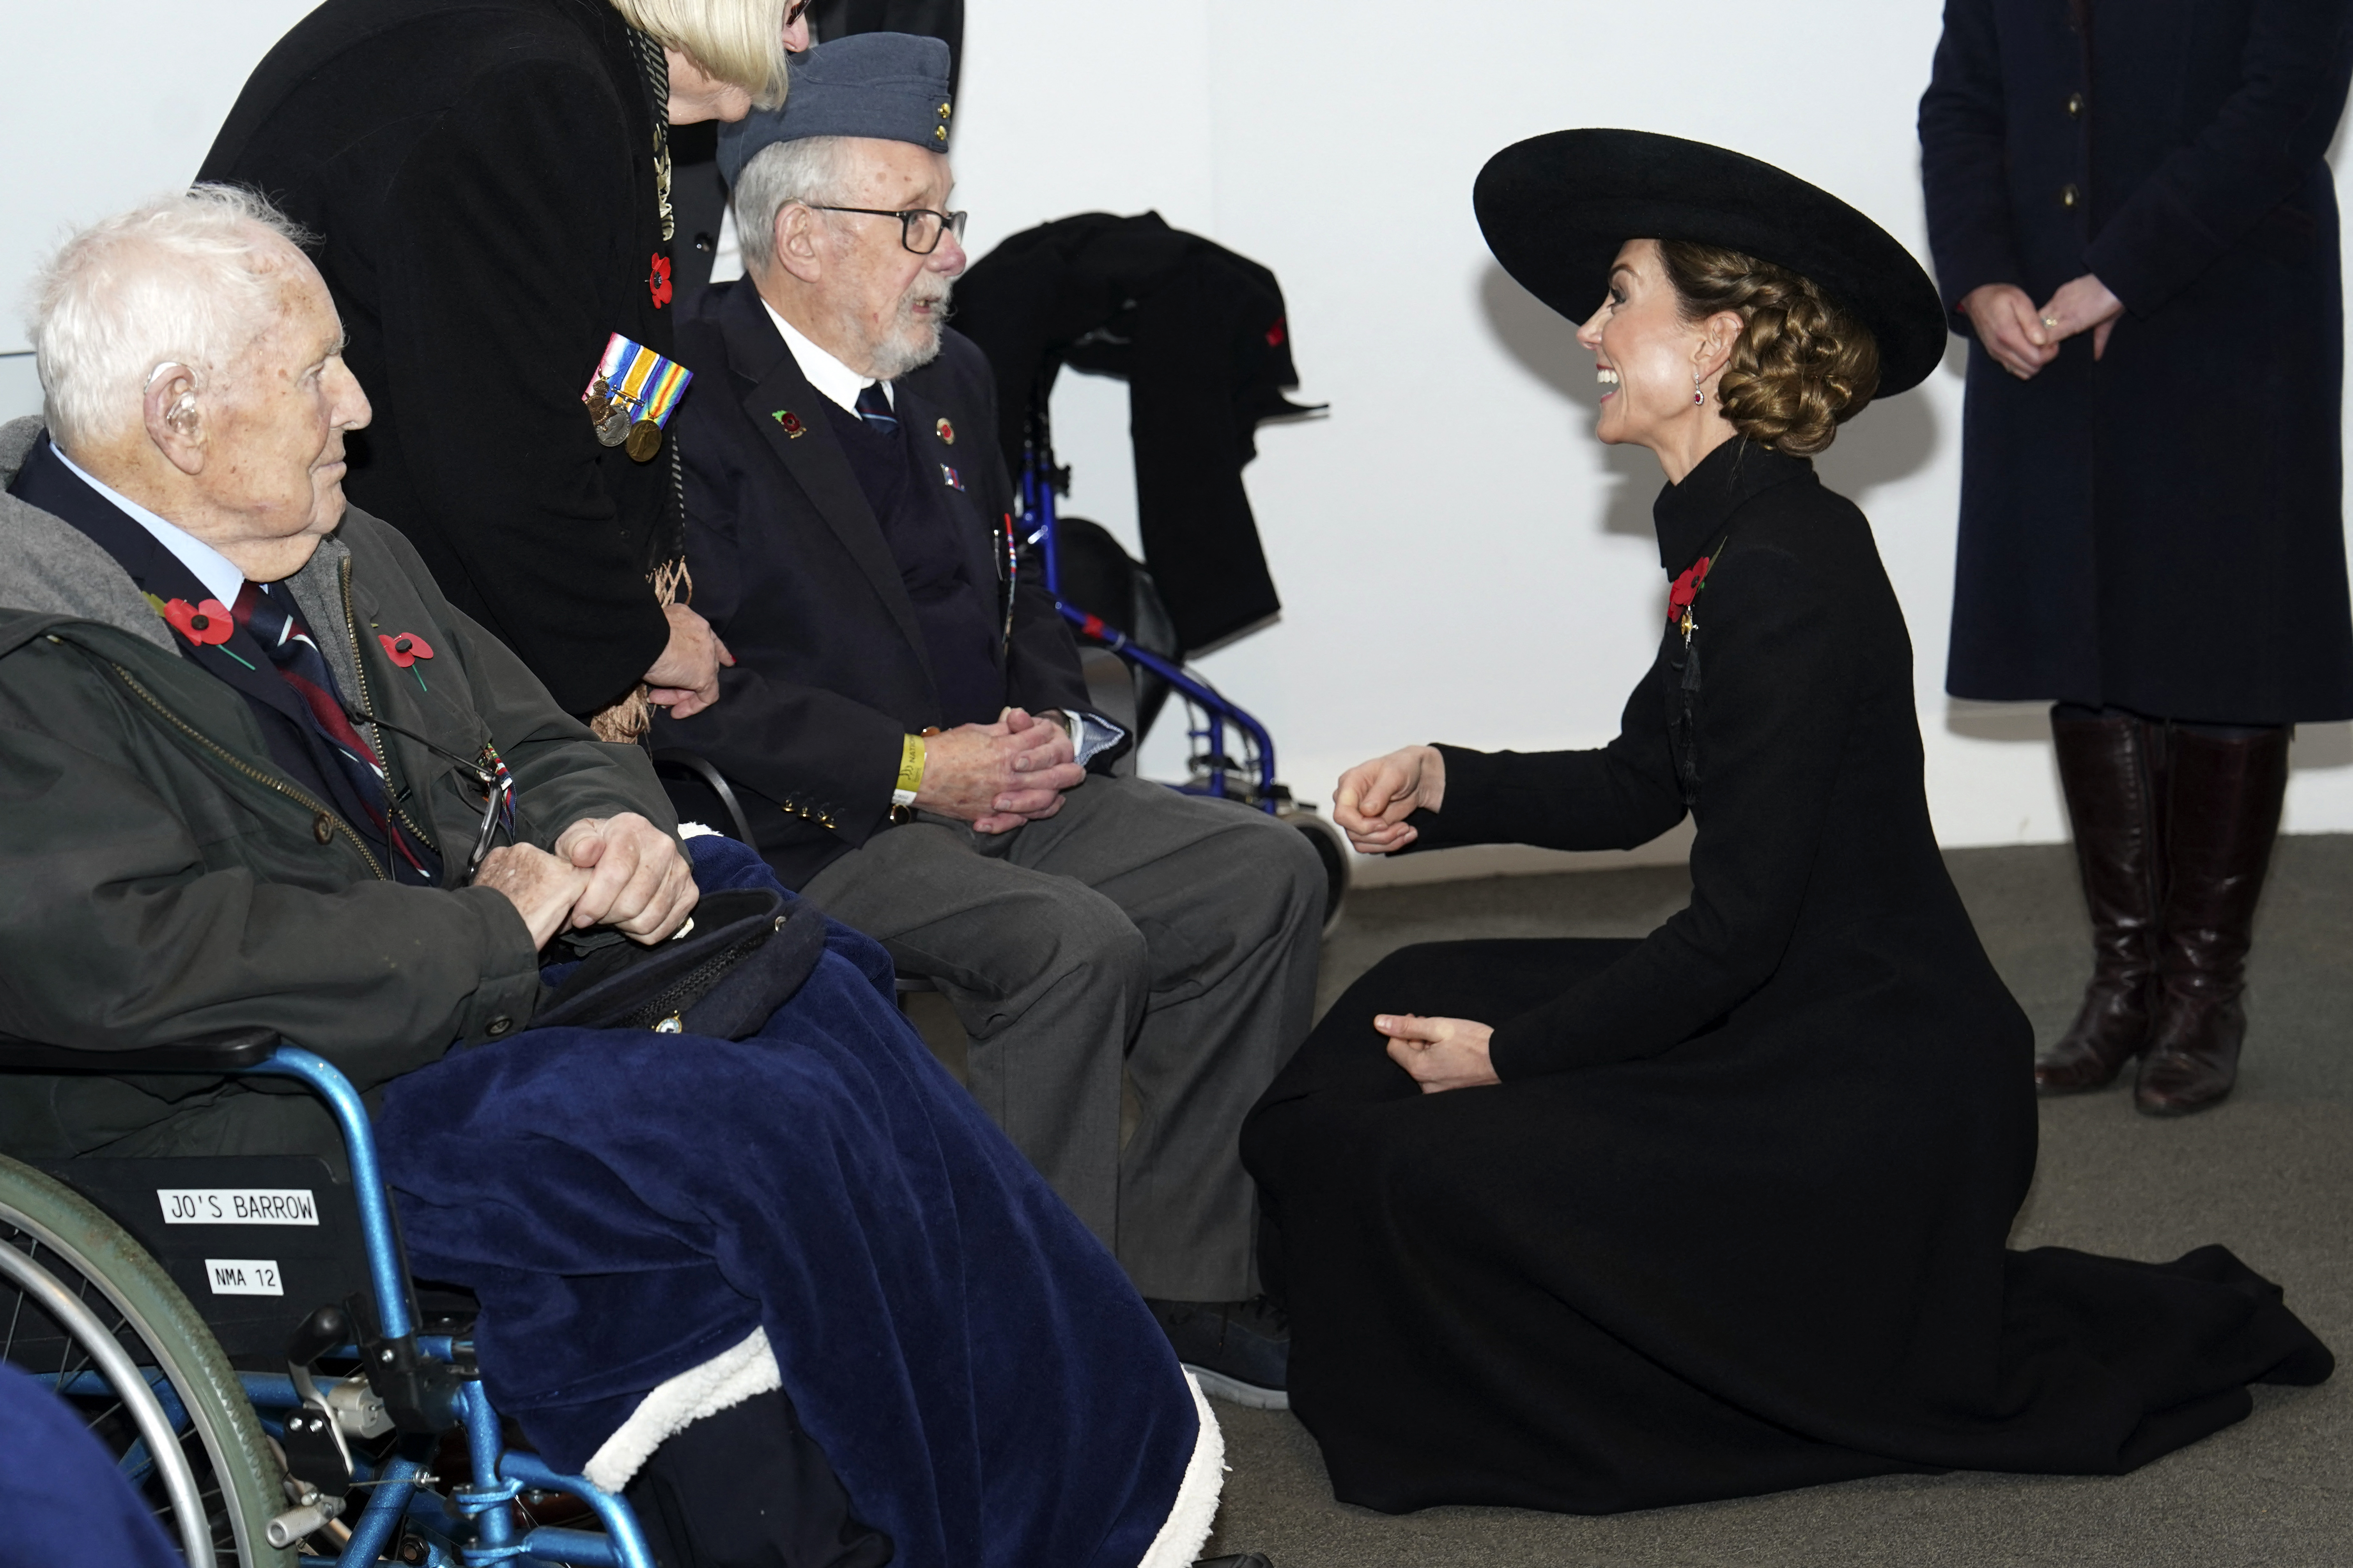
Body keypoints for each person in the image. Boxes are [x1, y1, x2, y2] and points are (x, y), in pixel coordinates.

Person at [0, 187, 1245, 1568]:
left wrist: (610, 828)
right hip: (254, 1119)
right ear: (177, 415)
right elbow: (133, 960)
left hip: (464, 1020)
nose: (357, 409)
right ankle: (961, 1528)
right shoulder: (31, 648)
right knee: (753, 1130)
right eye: (316, 375)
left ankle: (1092, 1500)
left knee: (828, 987)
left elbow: (539, 736)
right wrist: (483, 931)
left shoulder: (343, 550)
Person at [1240, 130, 2332, 1517]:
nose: (1584, 328)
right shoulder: (1728, 539)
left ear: (1714, 343)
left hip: (1870, 1072)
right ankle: (1336, 1318)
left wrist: (1515, 1059)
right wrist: (1450, 778)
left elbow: (1734, 929)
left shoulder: (1780, 569)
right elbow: (1646, 782)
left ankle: (1381, 1352)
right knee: (1394, 996)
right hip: (1795, 1001)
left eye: (1617, 294)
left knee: (1421, 1144)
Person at [654, 33, 1325, 1407]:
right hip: (812, 823)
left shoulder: (951, 376)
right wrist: (913, 771)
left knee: (1268, 870)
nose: (951, 252)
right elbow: (691, 695)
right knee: (1067, 944)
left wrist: (1051, 731)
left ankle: (1188, 1276)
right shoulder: (678, 398)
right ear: (798, 236)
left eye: (946, 216)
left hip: (991, 789)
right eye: (916, 221)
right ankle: (1027, 1334)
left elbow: (1014, 591)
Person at [1918, 0, 2353, 1115]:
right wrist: (1976, 276)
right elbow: (1961, 103)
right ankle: (2124, 981)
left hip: (2229, 303)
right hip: (2040, 321)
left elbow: (2286, 100)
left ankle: (2202, 990)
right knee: (2081, 622)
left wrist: (2120, 271)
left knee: (2226, 634)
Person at [195, 0, 814, 739]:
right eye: (794, 8)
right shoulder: (535, 88)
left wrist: (633, 604)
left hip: (360, 593)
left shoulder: (560, 54)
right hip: (337, 641)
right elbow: (499, 457)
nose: (800, 41)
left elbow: (596, 366)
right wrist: (632, 637)